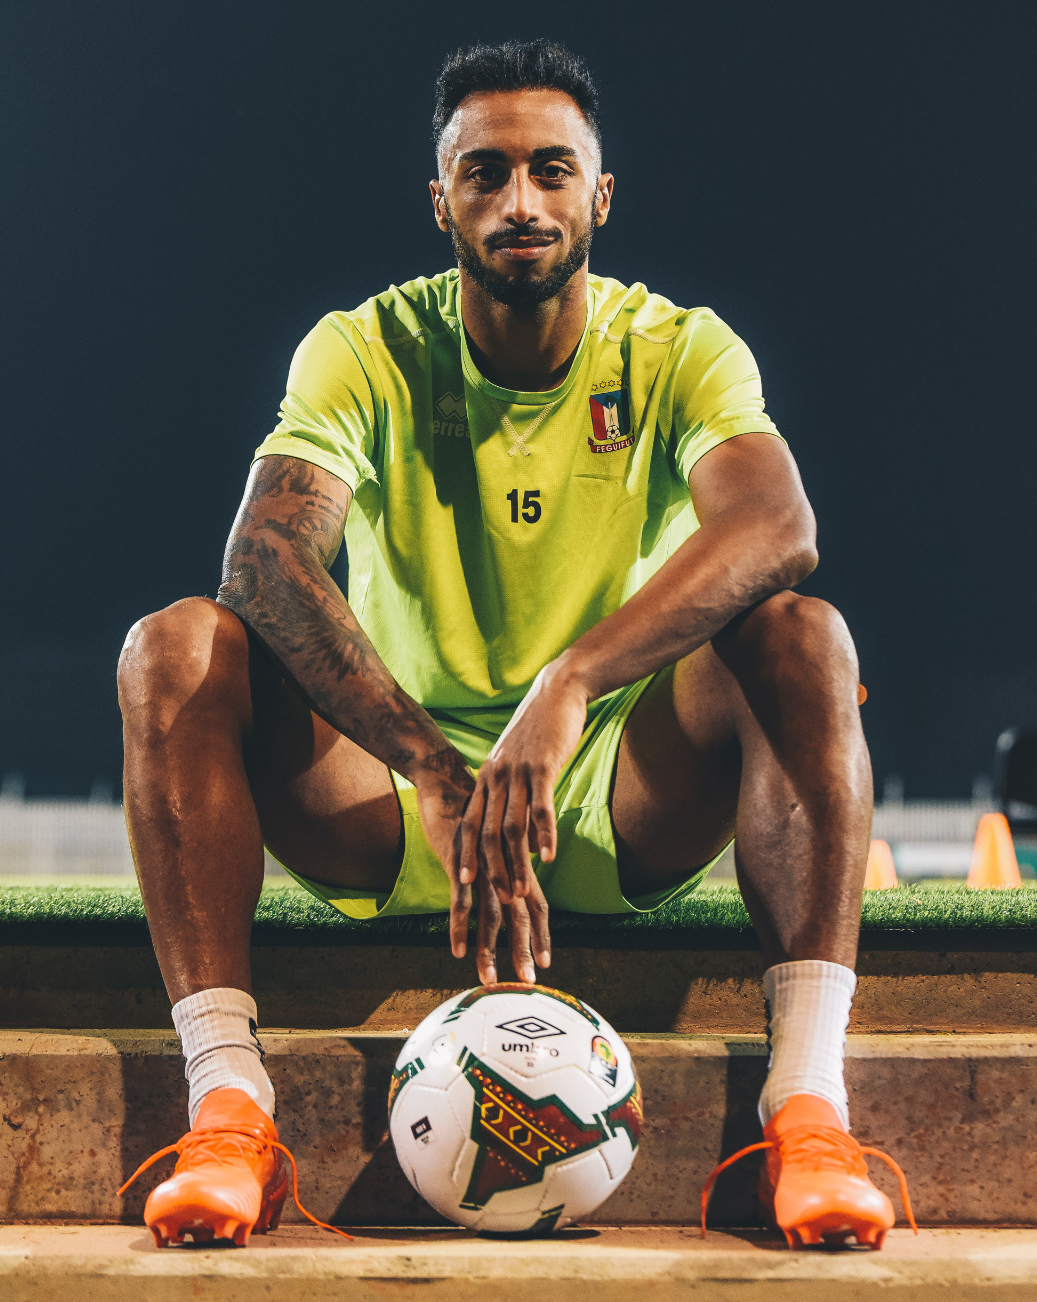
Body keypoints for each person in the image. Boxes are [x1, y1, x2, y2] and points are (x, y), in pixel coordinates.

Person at [116, 39, 913, 1250]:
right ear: (439, 201)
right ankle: (231, 1112)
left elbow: (778, 524)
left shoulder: (680, 349)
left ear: (601, 194)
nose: (520, 202)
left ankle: (806, 1112)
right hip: (391, 797)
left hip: (606, 800)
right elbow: (265, 560)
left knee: (805, 637)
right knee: (172, 646)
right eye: (484, 174)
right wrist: (435, 766)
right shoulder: (364, 348)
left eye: (552, 170)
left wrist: (572, 682)